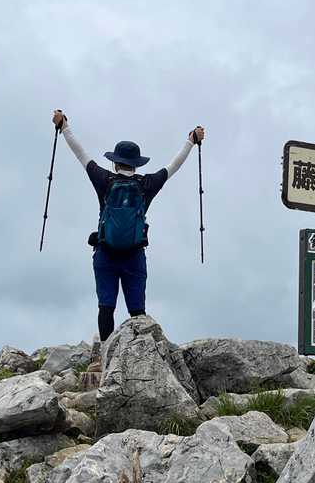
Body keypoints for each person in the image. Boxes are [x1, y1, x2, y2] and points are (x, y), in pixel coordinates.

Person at [51, 109, 204, 370]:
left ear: (115, 162)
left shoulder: (104, 179)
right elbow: (173, 166)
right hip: (134, 256)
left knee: (106, 306)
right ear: (136, 164)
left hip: (105, 254)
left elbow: (81, 154)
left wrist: (64, 126)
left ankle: (104, 360)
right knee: (137, 312)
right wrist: (191, 140)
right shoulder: (147, 184)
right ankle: (139, 363)